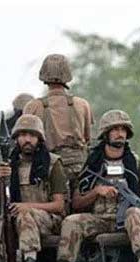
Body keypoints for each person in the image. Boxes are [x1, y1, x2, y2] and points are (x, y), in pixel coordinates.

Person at [48, 109, 140, 262]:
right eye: (115, 129)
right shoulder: (92, 164)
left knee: (135, 213)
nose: (120, 133)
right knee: (71, 221)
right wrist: (96, 192)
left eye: (123, 129)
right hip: (99, 219)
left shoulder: (136, 163)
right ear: (105, 134)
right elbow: (76, 202)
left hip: (126, 220)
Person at [0, 114, 68, 262]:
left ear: (39, 139)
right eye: (22, 135)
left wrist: (26, 206)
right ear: (16, 139)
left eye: (32, 135)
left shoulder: (53, 164)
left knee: (24, 214)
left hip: (48, 220)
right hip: (18, 219)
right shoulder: (11, 164)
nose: (27, 139)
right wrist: (3, 180)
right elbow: (2, 203)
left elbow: (59, 205)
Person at [23, 54, 94, 190]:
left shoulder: (32, 106)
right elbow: (87, 138)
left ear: (43, 74)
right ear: (67, 74)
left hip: (47, 167)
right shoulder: (82, 104)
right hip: (80, 168)